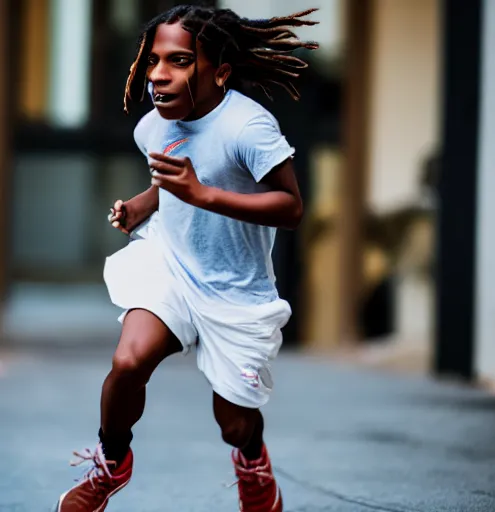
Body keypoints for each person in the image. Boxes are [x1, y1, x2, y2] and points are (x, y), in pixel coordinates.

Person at [54, 5, 318, 511]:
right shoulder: (153, 127)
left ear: (218, 72)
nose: (157, 75)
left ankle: (252, 462)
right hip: (169, 262)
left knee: (235, 424)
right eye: (153, 60)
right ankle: (112, 462)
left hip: (236, 290)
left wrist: (203, 196)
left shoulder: (249, 127)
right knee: (129, 360)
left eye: (178, 61)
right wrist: (140, 206)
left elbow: (291, 207)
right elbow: (169, 184)